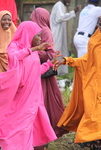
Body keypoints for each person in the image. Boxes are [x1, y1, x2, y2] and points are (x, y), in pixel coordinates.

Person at [0, 21, 59, 150]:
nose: (40, 39)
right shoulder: (15, 47)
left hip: (32, 98)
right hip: (19, 97)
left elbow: (35, 72)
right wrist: (33, 49)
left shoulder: (33, 53)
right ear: (28, 34)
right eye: (37, 35)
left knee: (27, 129)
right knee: (16, 128)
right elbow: (13, 58)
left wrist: (49, 64)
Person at [57, 13, 101, 149]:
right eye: (99, 24)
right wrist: (68, 60)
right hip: (94, 84)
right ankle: (97, 142)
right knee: (94, 114)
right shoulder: (95, 41)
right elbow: (87, 60)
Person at [30, 7, 68, 150]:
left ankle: (42, 138)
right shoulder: (35, 29)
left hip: (43, 74)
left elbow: (50, 54)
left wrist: (33, 52)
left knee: (43, 104)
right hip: (35, 72)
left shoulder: (44, 31)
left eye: (34, 15)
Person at [50, 0, 81, 75]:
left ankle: (57, 71)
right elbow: (60, 18)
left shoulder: (62, 6)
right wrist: (73, 12)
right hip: (56, 33)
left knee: (60, 51)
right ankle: (51, 71)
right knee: (56, 51)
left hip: (60, 33)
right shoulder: (58, 5)